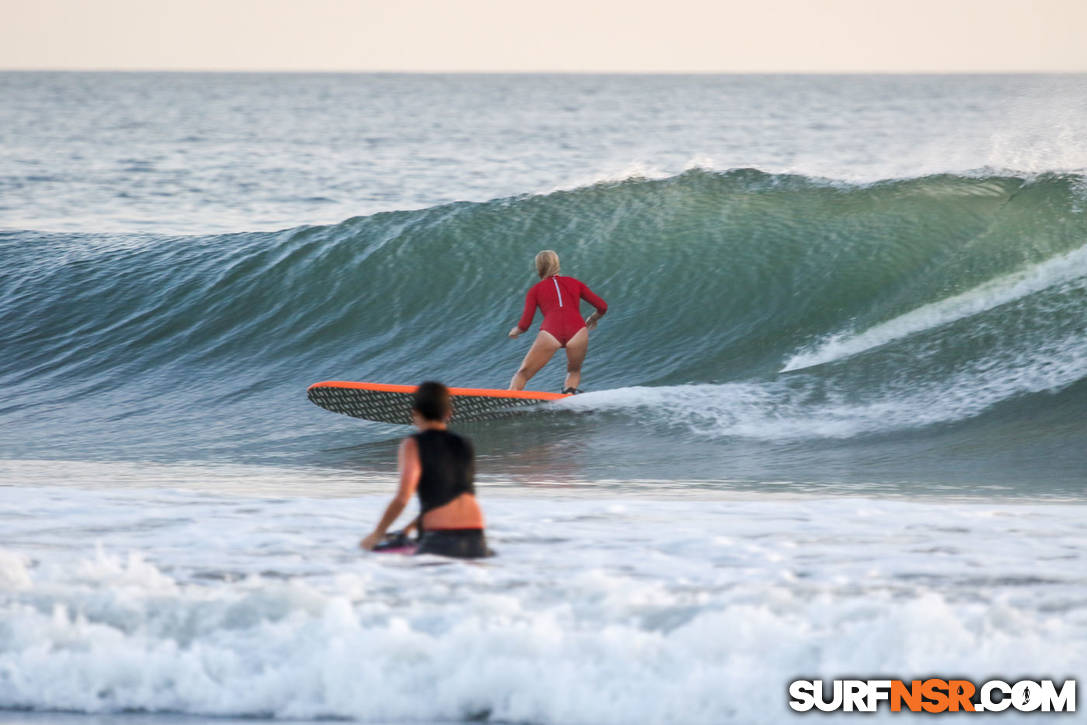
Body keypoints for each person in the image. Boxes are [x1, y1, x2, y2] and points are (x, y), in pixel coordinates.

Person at [360, 381, 491, 558]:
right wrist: (408, 529)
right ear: (448, 413)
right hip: (477, 538)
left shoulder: (413, 444)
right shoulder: (464, 444)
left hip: (441, 538)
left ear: (415, 413)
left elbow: (402, 498)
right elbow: (449, 496)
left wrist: (376, 535)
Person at [508, 250, 607, 393]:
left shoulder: (535, 290)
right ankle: (569, 394)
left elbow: (525, 324)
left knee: (523, 373)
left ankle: (511, 397)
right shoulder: (575, 283)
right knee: (574, 370)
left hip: (551, 332)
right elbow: (602, 306)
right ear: (557, 264)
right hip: (577, 330)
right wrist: (592, 318)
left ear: (539, 267)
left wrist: (516, 330)